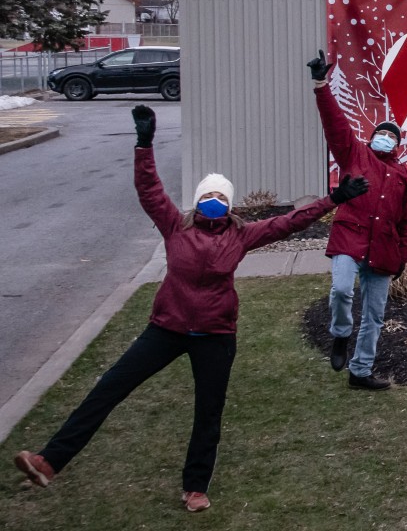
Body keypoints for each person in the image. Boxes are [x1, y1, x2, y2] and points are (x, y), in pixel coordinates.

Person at [12, 106, 365, 512]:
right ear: (198, 201)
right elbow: (149, 190)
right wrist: (144, 145)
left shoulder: (241, 235)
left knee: (208, 413)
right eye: (208, 195)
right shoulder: (173, 225)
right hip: (167, 328)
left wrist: (334, 198)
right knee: (107, 390)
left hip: (215, 334)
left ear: (229, 204)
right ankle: (48, 461)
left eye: (221, 196)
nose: (214, 200)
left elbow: (290, 222)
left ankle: (195, 487)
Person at [308, 50, 407, 390]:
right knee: (341, 290)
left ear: (398, 144)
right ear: (371, 137)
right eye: (380, 133)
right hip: (350, 239)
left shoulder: (403, 178)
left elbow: (406, 224)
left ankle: (361, 371)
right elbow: (335, 124)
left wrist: (401, 258)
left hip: (383, 250)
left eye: (391, 135)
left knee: (374, 315)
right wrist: (321, 85)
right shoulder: (355, 154)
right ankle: (340, 333)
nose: (384, 138)